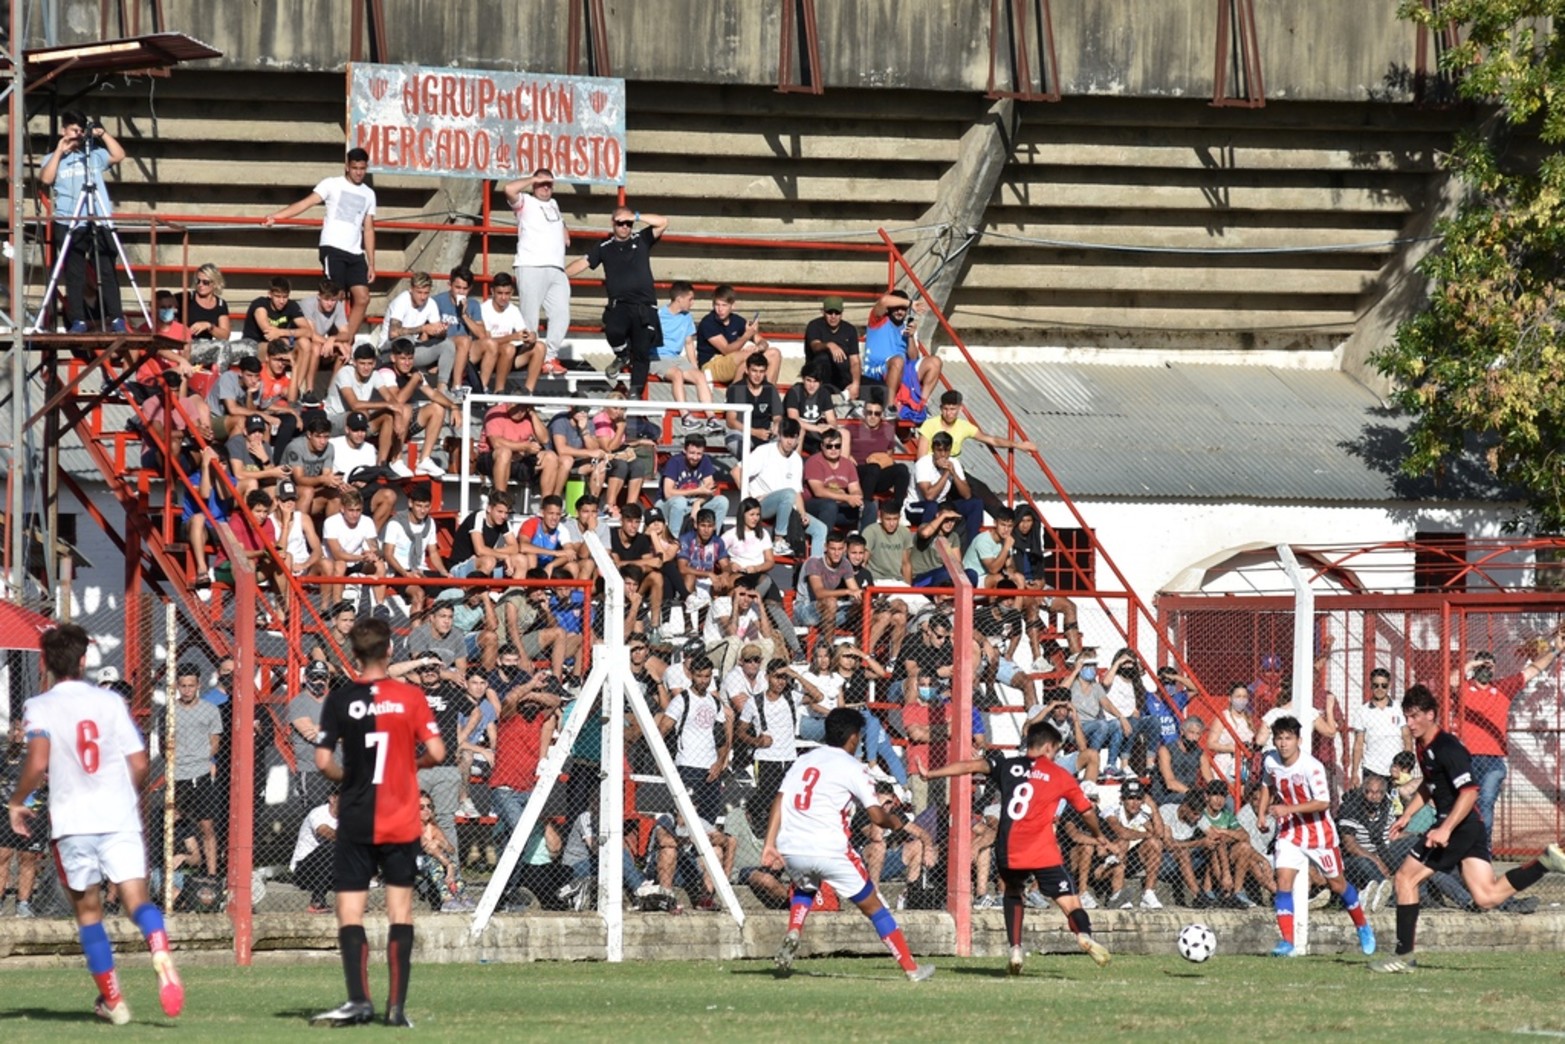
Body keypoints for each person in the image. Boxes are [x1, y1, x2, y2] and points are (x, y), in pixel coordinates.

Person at [6, 624, 183, 1024]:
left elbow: (36, 762)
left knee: (89, 914)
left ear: (47, 663)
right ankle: (158, 947)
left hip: (73, 822)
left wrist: (17, 801)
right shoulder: (110, 703)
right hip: (118, 816)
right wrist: (123, 797)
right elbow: (139, 762)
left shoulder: (39, 706)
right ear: (85, 660)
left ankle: (114, 1002)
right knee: (138, 900)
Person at [1369, 685, 1565, 974]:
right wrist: (1408, 815)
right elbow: (1430, 784)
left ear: (1430, 715)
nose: (1409, 723)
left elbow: (1470, 792)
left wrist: (1445, 829)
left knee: (1404, 879)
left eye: (1414, 717)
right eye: (1406, 717)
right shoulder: (1423, 745)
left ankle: (1403, 956)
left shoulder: (1447, 748)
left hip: (1457, 827)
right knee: (1486, 896)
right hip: (1466, 826)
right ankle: (1545, 861)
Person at [310, 617, 445, 1027]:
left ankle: (358, 1001)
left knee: (350, 911)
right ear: (390, 651)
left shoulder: (339, 700)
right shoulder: (411, 697)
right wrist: (410, 765)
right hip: (402, 819)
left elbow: (322, 761)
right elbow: (438, 752)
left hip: (356, 818)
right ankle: (397, 1009)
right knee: (400, 911)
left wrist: (348, 777)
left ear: (353, 654)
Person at [919, 718, 1113, 975]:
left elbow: (970, 766)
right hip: (1042, 851)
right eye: (1055, 750)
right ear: (1048, 748)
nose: (1055, 755)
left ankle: (1016, 949)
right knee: (1070, 904)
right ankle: (1083, 934)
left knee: (1013, 892)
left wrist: (932, 773)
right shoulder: (1060, 775)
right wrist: (1098, 833)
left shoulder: (1006, 765)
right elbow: (1086, 811)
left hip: (1008, 850)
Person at [762, 707, 935, 981]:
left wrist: (769, 844)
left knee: (806, 886)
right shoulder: (854, 767)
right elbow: (877, 816)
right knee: (875, 906)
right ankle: (912, 969)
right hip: (831, 850)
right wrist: (897, 822)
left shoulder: (803, 760)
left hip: (792, 848)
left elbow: (780, 799)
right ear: (854, 738)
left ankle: (794, 930)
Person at [1258, 716, 1375, 958]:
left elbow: (1323, 802)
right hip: (1290, 831)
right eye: (1279, 738)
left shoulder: (1311, 766)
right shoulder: (1270, 760)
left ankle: (1362, 926)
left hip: (1319, 834)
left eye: (1288, 738)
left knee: (1337, 884)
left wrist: (1287, 809)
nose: (1283, 744)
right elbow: (1267, 785)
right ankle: (1287, 942)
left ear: (1299, 740)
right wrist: (1261, 814)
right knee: (1283, 881)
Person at [1447, 637, 1560, 842]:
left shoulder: (1502, 688)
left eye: (1490, 666)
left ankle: (1483, 848)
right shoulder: (1465, 688)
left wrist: (1555, 651)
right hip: (1468, 757)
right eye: (1483, 664)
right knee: (1465, 804)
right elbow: (1452, 681)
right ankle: (1463, 847)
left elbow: (1532, 670)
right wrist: (1473, 663)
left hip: (1493, 759)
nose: (1486, 669)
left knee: (1486, 802)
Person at [265, 147, 378, 346]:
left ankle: (345, 340)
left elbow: (368, 229)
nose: (359, 172)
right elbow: (305, 203)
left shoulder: (369, 194)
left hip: (355, 252)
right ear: (347, 167)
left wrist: (372, 263)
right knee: (337, 297)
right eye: (355, 168)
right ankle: (329, 342)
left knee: (363, 297)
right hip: (332, 248)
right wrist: (277, 216)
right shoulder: (331, 184)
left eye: (362, 168)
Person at [39, 111, 129, 333]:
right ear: (64, 130)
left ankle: (116, 317)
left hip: (98, 217)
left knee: (107, 269)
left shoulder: (94, 155)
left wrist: (102, 134)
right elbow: (46, 179)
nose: (78, 135)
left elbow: (118, 155)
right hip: (70, 219)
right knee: (75, 272)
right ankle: (77, 319)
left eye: (81, 131)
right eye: (74, 130)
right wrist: (61, 150)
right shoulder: (54, 158)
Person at [565, 206, 669, 395]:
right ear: (613, 223)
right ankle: (621, 355)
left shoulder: (641, 239)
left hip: (645, 306)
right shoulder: (604, 247)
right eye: (620, 223)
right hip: (620, 304)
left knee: (641, 352)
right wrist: (560, 276)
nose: (625, 227)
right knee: (613, 330)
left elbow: (663, 222)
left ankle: (636, 394)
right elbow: (583, 263)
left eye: (628, 223)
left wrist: (636, 216)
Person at [504, 168, 572, 376]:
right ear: (534, 184)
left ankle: (550, 356)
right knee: (530, 317)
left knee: (561, 313)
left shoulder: (555, 204)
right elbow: (509, 189)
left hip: (556, 267)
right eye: (541, 184)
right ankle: (530, 355)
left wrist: (564, 230)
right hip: (531, 264)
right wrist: (534, 178)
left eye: (549, 184)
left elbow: (559, 221)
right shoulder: (525, 200)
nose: (545, 187)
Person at [1349, 667, 1412, 788]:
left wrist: (1406, 766)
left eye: (1384, 685)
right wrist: (1354, 772)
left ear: (1389, 685)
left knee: (1397, 805)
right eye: (1376, 685)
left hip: (1396, 769)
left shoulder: (1398, 708)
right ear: (1370, 685)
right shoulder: (1362, 711)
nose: (1380, 689)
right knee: (1371, 805)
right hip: (1372, 768)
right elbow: (1358, 744)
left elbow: (1407, 737)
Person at [802, 294, 860, 398]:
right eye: (829, 312)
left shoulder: (850, 330)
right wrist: (829, 345)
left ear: (842, 313)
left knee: (878, 387)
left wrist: (856, 383)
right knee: (823, 358)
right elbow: (815, 346)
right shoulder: (814, 326)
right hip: (820, 376)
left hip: (843, 376)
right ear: (823, 312)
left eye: (837, 312)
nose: (833, 316)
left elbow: (855, 361)